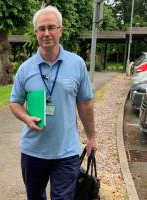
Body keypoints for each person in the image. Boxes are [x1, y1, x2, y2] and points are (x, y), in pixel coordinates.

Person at [10, 6, 97, 200]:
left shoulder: (77, 64)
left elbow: (85, 104)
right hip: (33, 151)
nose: (47, 33)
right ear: (36, 33)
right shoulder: (25, 69)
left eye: (51, 27)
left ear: (60, 30)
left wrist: (91, 137)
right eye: (42, 29)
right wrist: (25, 117)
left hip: (66, 152)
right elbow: (14, 103)